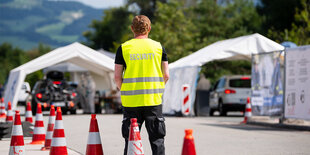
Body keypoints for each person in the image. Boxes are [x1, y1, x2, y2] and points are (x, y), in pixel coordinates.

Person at [114, 15, 169, 155]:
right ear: (149, 28)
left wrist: (126, 89)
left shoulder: (124, 48)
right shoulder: (158, 47)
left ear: (132, 29)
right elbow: (166, 75)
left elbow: (117, 77)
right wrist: (157, 89)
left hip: (131, 103)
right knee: (157, 140)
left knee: (131, 140)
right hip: (153, 101)